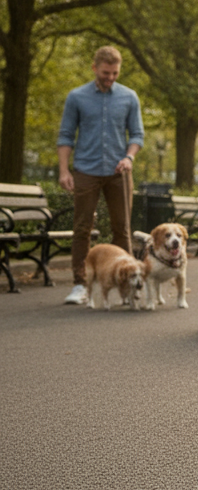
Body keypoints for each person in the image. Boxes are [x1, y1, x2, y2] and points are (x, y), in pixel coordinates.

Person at [56, 45, 144, 305]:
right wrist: (64, 170)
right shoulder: (77, 97)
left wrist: (129, 157)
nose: (110, 78)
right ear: (95, 68)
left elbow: (137, 135)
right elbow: (65, 135)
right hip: (86, 169)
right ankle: (80, 284)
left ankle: (126, 281)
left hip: (119, 172)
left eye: (115, 73)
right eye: (106, 73)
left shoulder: (129, 97)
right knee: (82, 228)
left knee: (122, 228)